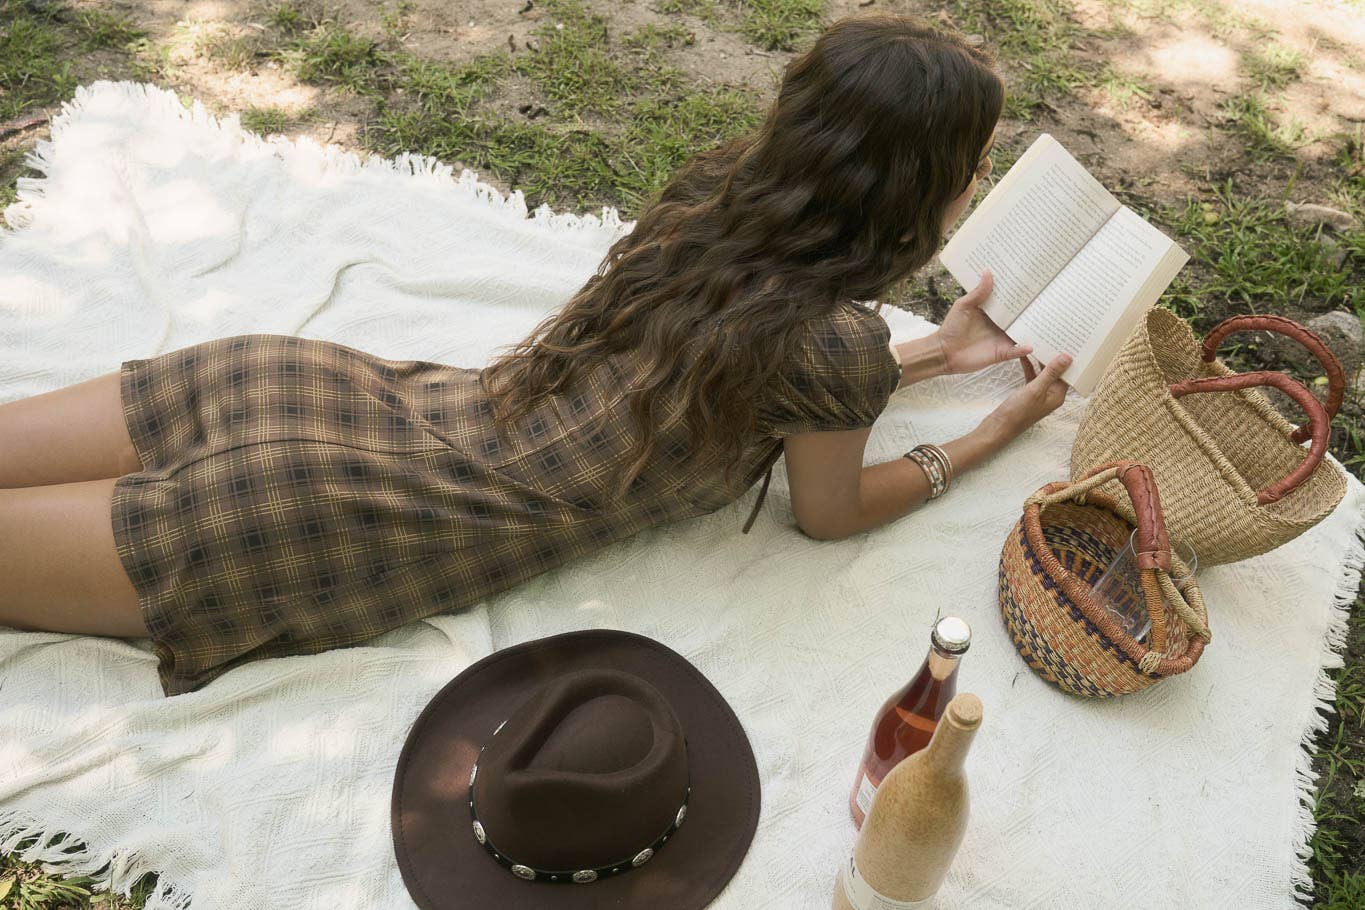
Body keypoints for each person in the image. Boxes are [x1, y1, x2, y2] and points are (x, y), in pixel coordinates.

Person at [0, 13, 1070, 696]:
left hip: (311, 389)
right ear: (918, 188)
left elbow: (759, 375)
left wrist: (929, 354)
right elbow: (829, 510)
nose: (977, 181)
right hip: (318, 523)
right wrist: (990, 432)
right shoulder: (834, 344)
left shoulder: (719, 200)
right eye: (973, 165)